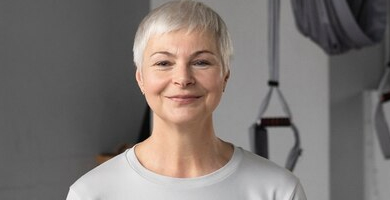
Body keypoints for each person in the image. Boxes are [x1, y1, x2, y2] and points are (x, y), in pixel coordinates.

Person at [67, 1, 306, 199]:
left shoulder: (279, 191)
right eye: (163, 63)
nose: (182, 79)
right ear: (141, 79)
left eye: (201, 62)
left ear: (224, 77)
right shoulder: (91, 193)